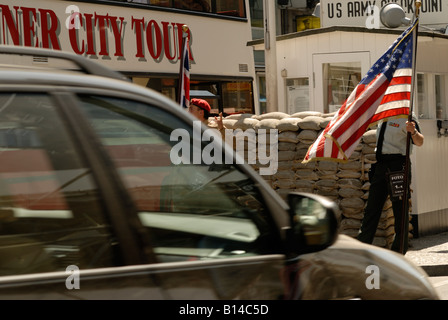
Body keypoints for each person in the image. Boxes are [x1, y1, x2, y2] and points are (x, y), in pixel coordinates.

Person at [357, 115, 424, 254]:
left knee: (400, 211)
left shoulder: (407, 115)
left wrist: (413, 132)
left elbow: (420, 142)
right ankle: (361, 249)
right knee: (371, 209)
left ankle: (398, 252)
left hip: (398, 166)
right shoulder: (384, 114)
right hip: (381, 166)